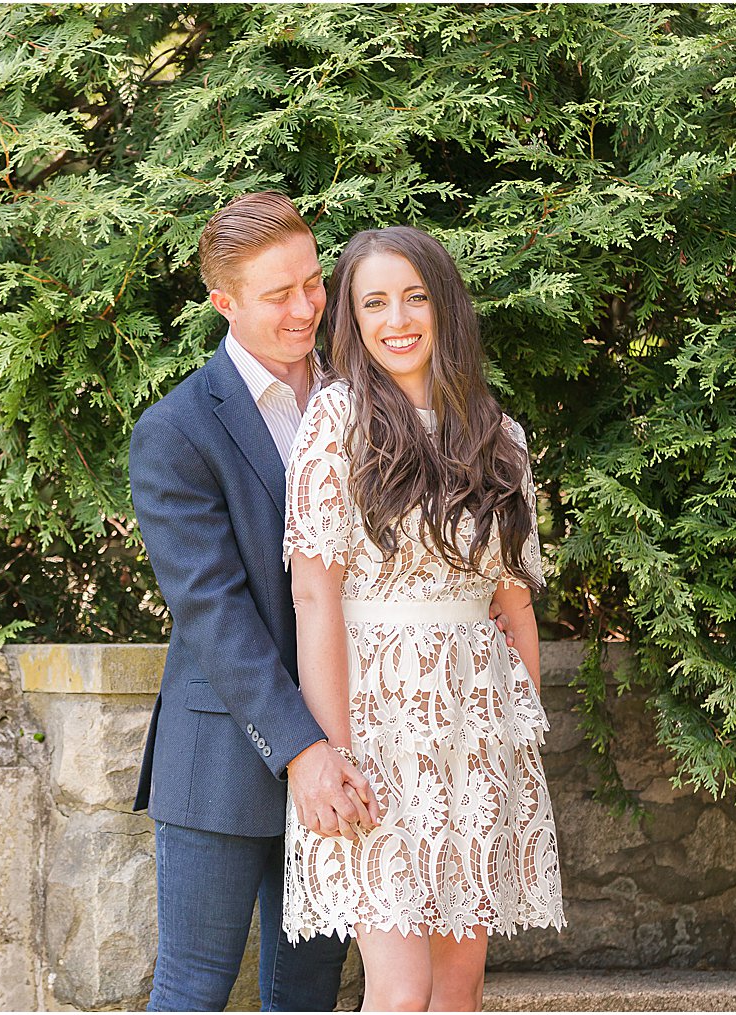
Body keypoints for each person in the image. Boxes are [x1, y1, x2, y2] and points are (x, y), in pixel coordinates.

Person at [281, 226, 565, 1010]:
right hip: (375, 724)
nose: (396, 318)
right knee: (400, 990)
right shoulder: (336, 421)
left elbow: (514, 601)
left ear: (444, 306)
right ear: (352, 317)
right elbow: (315, 598)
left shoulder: (498, 435)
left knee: (459, 989)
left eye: (413, 296)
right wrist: (332, 751)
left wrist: (518, 734)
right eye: (374, 301)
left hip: (476, 733)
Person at [127, 192, 375, 1011]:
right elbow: (213, 612)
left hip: (350, 746)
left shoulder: (366, 400)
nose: (307, 307)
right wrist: (303, 748)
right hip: (223, 754)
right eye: (280, 294)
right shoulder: (177, 430)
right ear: (222, 302)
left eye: (314, 283)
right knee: (193, 988)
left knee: (307, 995)